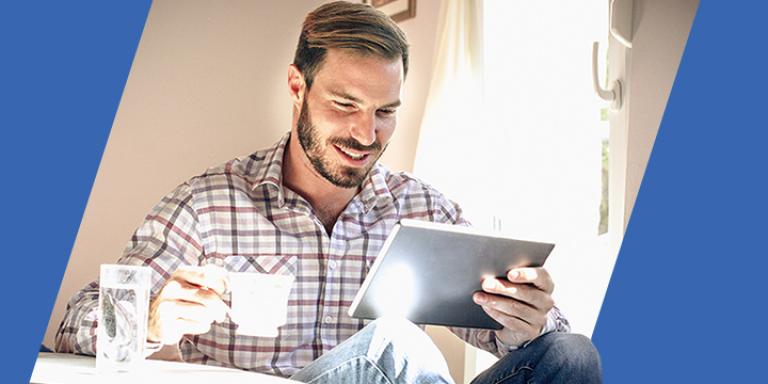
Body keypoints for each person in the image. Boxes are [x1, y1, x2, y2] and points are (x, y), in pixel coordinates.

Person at [56, 2, 602, 383]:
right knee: (395, 345)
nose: (367, 136)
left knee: (571, 355)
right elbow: (74, 324)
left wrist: (529, 321)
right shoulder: (208, 204)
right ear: (298, 87)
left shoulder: (422, 208)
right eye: (345, 105)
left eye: (385, 112)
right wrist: (151, 316)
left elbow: (525, 347)